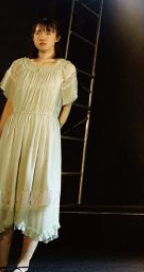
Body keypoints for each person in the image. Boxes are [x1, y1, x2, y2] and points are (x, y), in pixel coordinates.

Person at [0, 18, 77, 271]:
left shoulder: (65, 68)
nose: (42, 37)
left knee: (37, 194)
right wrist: (2, 133)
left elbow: (66, 105)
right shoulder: (19, 66)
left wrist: (53, 129)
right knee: (7, 194)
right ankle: (1, 264)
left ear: (57, 37)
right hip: (15, 131)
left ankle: (23, 264)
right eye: (37, 32)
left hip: (44, 133)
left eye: (48, 32)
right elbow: (10, 103)